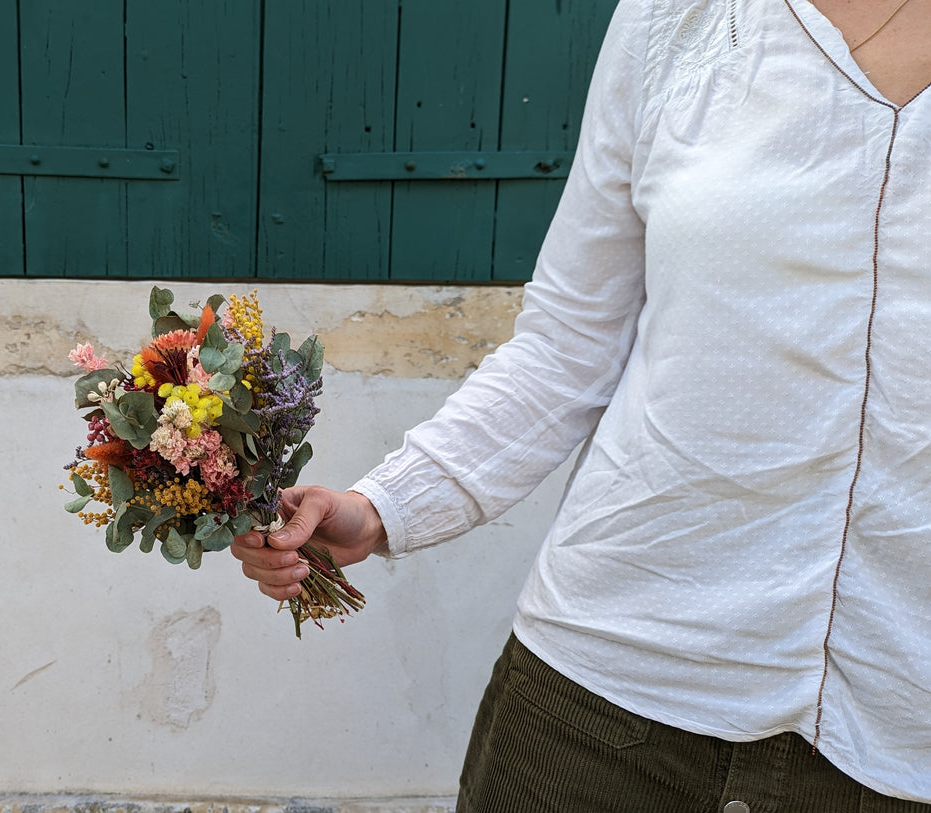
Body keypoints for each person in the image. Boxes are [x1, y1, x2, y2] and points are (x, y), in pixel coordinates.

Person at [232, 0, 931, 809]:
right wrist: (382, 505)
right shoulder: (679, 20)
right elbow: (568, 342)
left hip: (894, 726)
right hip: (605, 695)